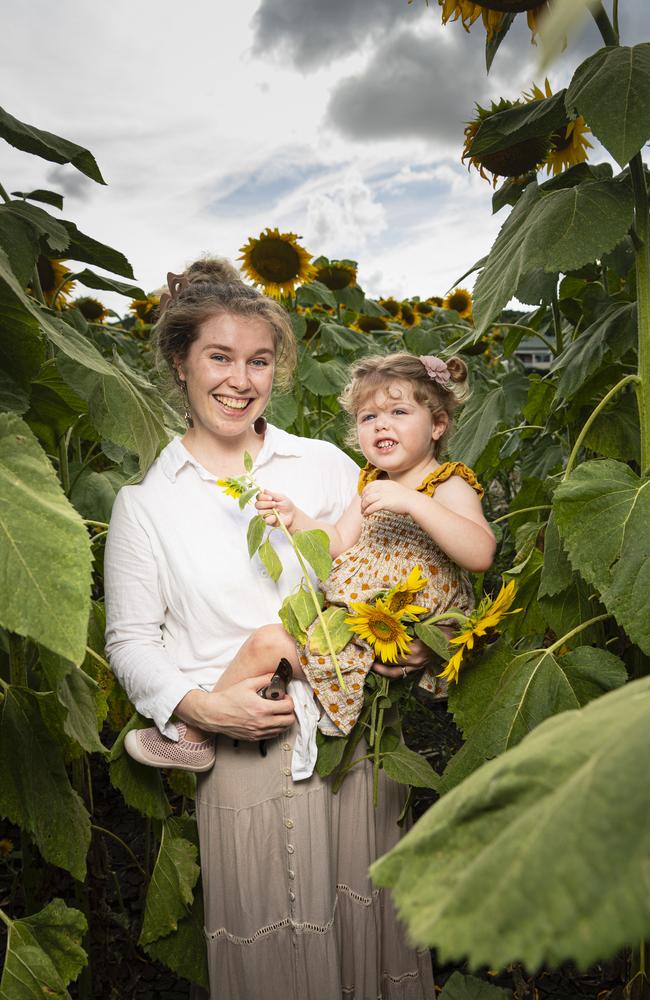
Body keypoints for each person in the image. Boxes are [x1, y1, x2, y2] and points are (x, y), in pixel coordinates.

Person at [104, 258, 440, 1000]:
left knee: (369, 934)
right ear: (179, 362)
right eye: (219, 357)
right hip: (244, 755)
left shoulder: (323, 466)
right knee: (276, 961)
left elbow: (392, 570)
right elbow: (130, 640)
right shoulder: (147, 503)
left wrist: (409, 642)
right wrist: (197, 708)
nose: (240, 379)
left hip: (354, 742)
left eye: (258, 360)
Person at [125, 351, 495, 771]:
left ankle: (192, 734)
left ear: (438, 425)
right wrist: (296, 518)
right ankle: (225, 722)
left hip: (404, 627)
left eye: (398, 411)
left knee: (268, 643)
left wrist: (414, 502)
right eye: (368, 417)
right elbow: (338, 541)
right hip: (368, 623)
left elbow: (480, 552)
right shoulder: (373, 483)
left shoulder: (447, 484)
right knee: (273, 653)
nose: (381, 425)